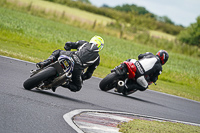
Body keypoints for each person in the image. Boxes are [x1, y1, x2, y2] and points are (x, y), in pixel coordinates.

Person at [36, 35, 104, 92]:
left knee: (58, 51)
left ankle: (44, 63)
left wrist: (67, 49)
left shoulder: (84, 43)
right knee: (77, 87)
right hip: (77, 69)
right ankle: (63, 83)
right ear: (100, 47)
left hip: (70, 56)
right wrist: (81, 77)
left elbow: (69, 44)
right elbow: (88, 74)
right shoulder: (97, 58)